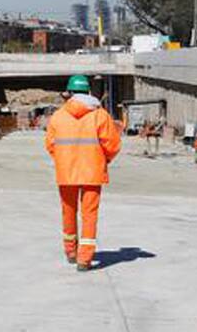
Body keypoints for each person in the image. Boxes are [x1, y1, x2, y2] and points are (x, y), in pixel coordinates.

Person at [44, 74, 122, 272]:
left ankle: (71, 251)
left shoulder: (58, 116)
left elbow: (50, 145)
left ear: (69, 93)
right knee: (89, 215)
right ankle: (84, 259)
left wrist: (63, 160)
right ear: (88, 91)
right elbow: (112, 145)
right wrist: (104, 160)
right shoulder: (100, 115)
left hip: (66, 172)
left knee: (68, 212)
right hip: (92, 172)